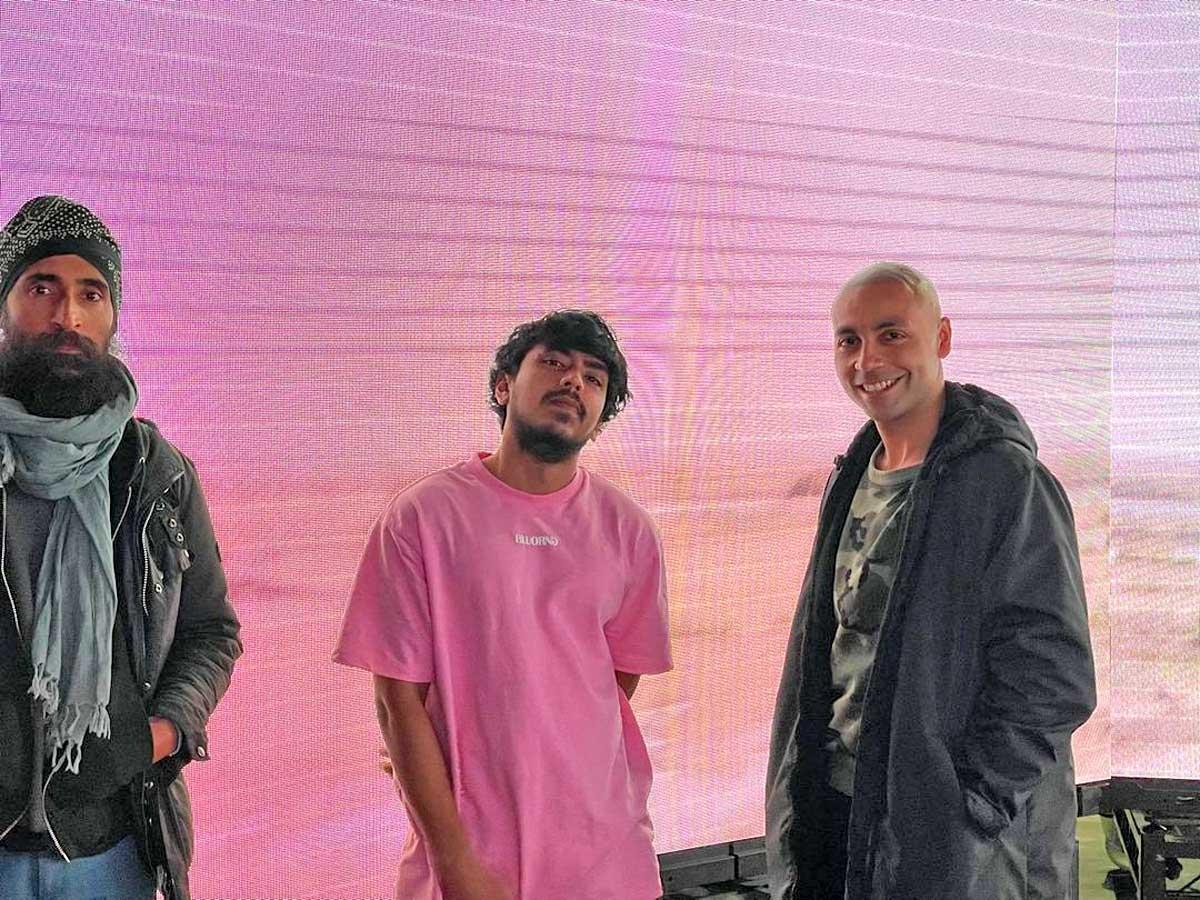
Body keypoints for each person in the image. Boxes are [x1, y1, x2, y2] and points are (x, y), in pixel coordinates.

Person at [765, 262, 1096, 899]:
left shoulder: (1006, 481)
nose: (868, 360)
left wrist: (967, 807)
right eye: (849, 339)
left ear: (941, 338)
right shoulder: (851, 477)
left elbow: (1053, 676)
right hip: (841, 810)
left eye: (892, 334)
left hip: (953, 837)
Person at [334, 309, 672, 900]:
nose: (574, 381)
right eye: (554, 362)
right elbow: (397, 702)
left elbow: (614, 682)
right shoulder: (422, 518)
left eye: (594, 378)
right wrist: (455, 863)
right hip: (472, 854)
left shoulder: (630, 530)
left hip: (606, 854)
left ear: (600, 418)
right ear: (503, 387)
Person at [0, 196, 242, 899]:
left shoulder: (156, 474)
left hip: (111, 846)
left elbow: (211, 632)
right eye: (41, 287)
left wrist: (156, 736)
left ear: (111, 316)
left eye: (90, 293)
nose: (67, 316)